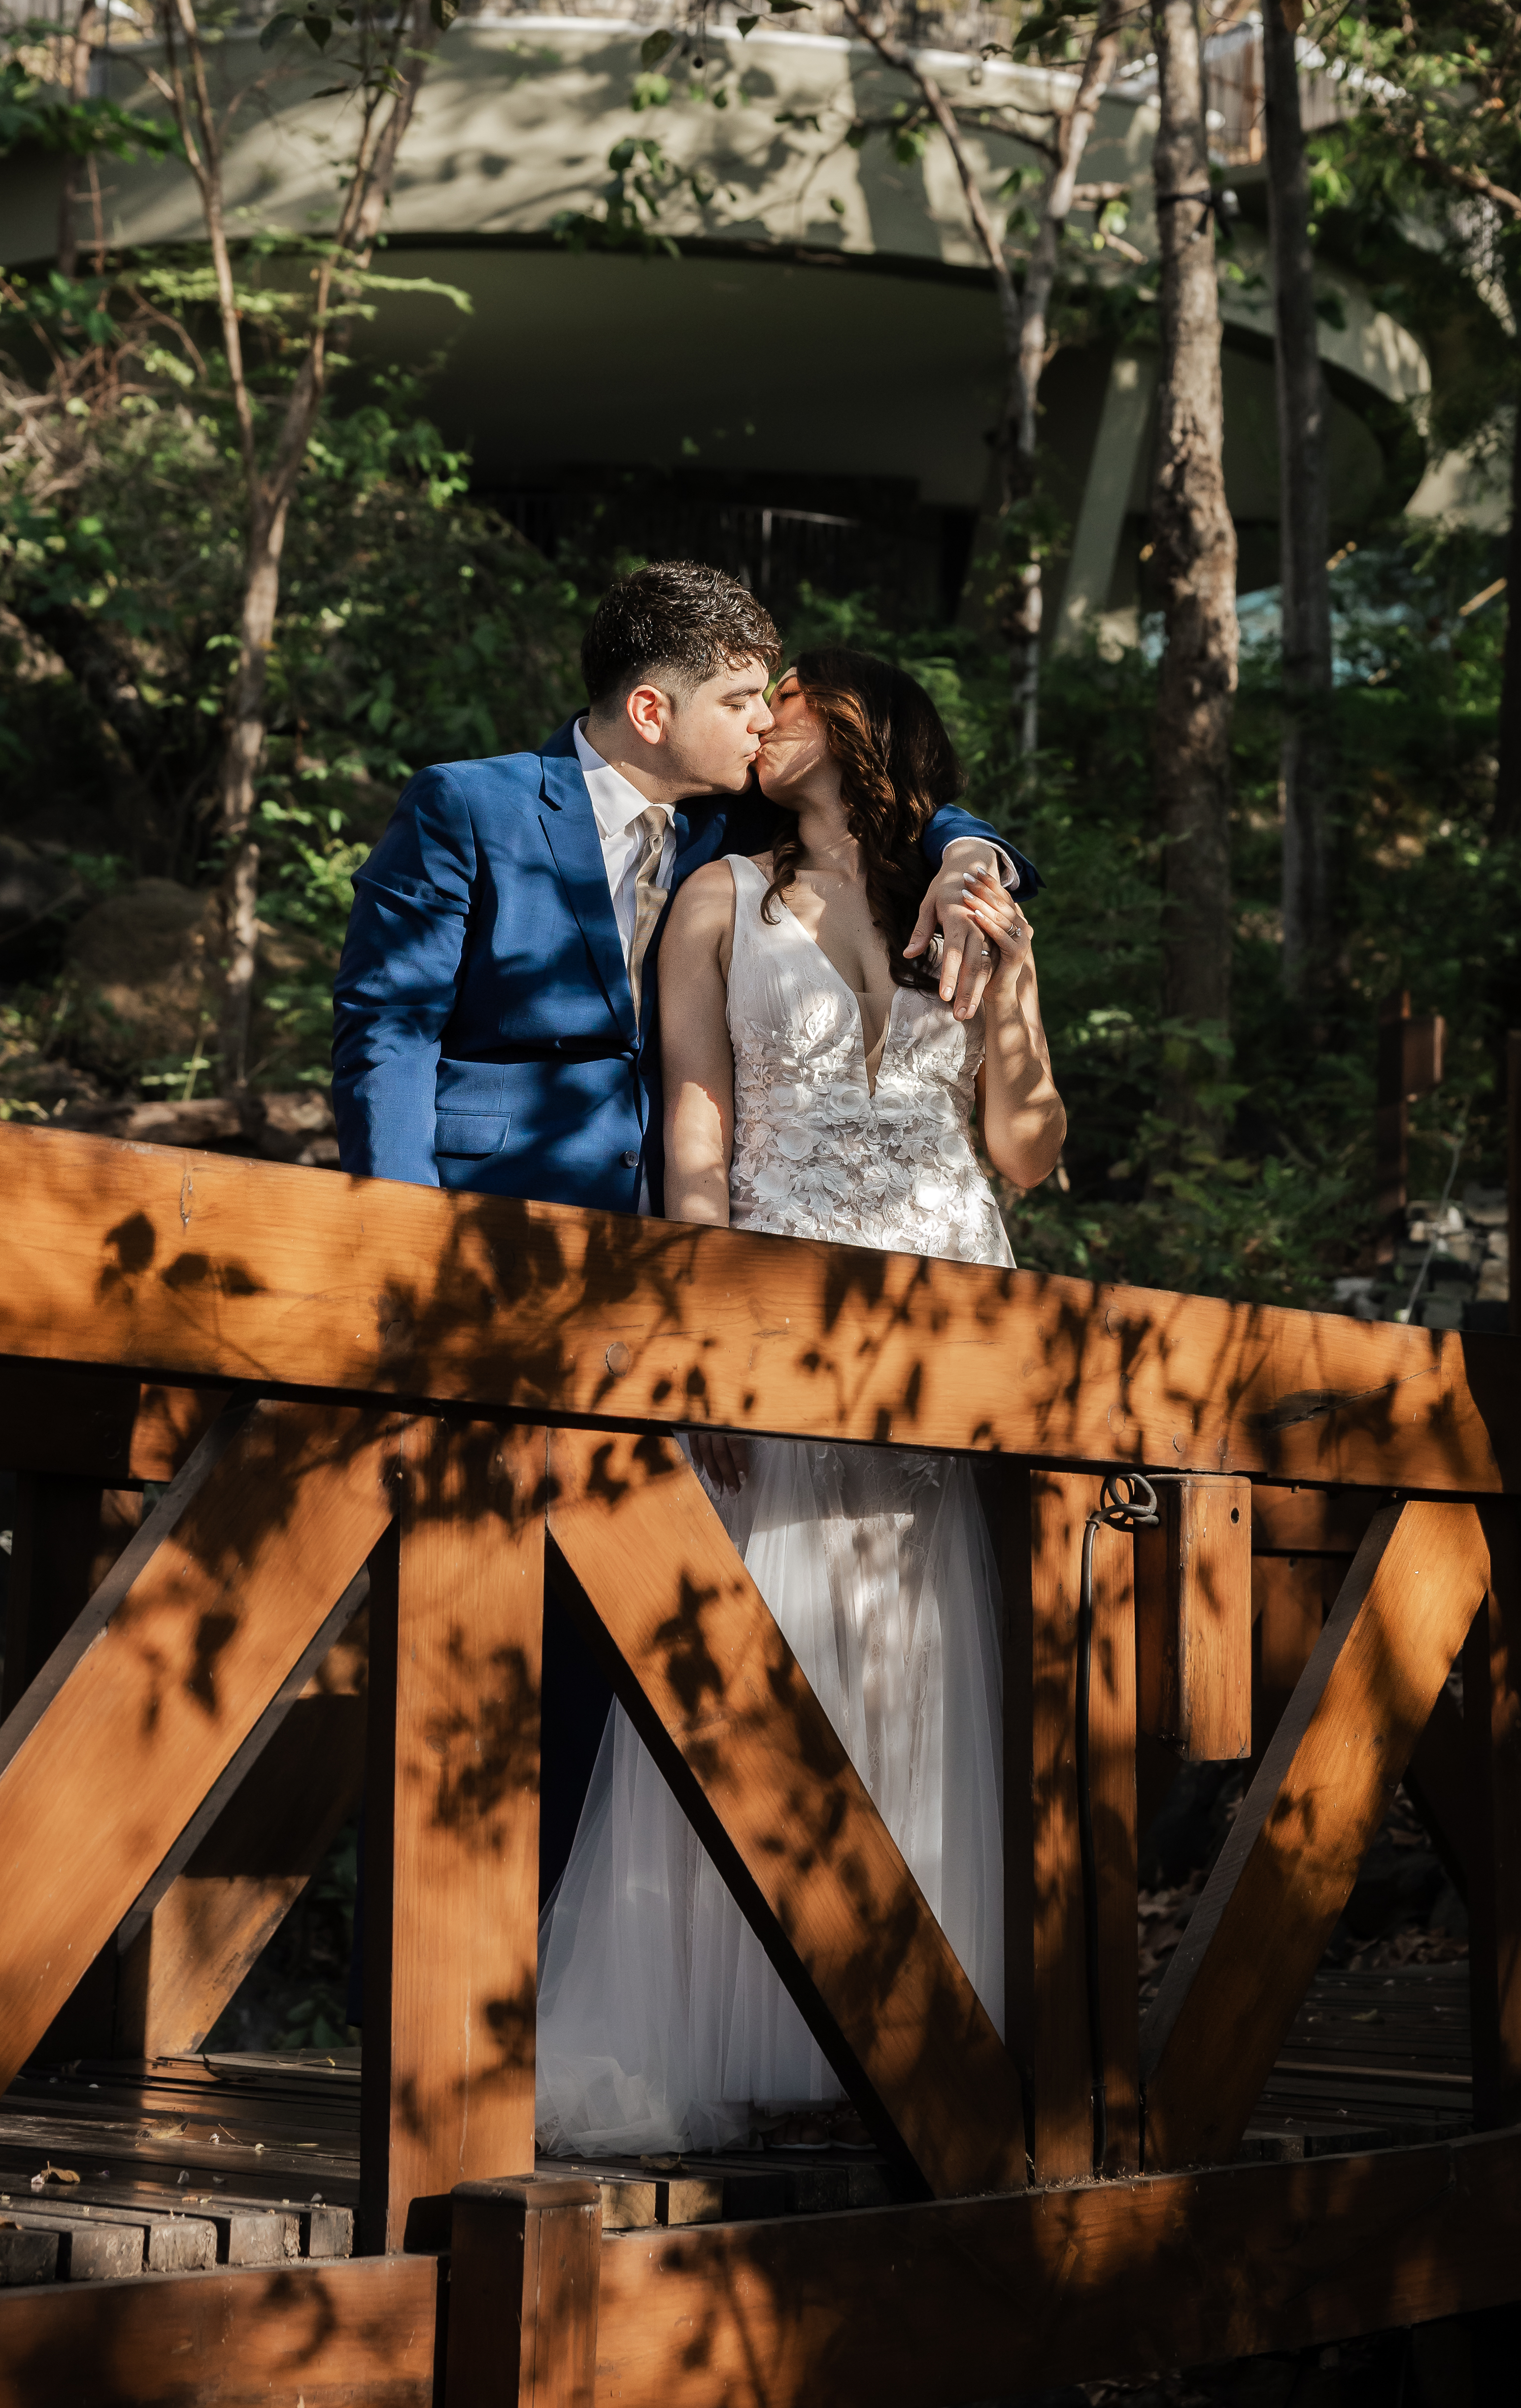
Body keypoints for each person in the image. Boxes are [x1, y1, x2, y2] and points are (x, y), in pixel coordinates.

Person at [331, 567, 1037, 1902]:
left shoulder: (731, 843)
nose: (767, 722)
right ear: (653, 708)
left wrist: (966, 853)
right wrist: (400, 1244)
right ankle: (445, 2008)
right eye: (740, 699)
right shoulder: (472, 804)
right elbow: (388, 1032)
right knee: (471, 1626)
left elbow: (914, 790)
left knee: (635, 1632)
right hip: (496, 1255)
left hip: (677, 1282)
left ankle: (580, 1987)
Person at [535, 647, 1065, 2157]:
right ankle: (737, 2022)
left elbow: (1023, 1151)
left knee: (917, 1658)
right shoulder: (721, 898)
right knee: (769, 1644)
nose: (761, 724)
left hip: (955, 1325)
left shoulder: (963, 901)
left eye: (789, 703)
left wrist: (1014, 985)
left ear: (862, 721)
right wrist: (703, 1338)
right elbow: (694, 1133)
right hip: (780, 1317)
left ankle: (910, 2033)